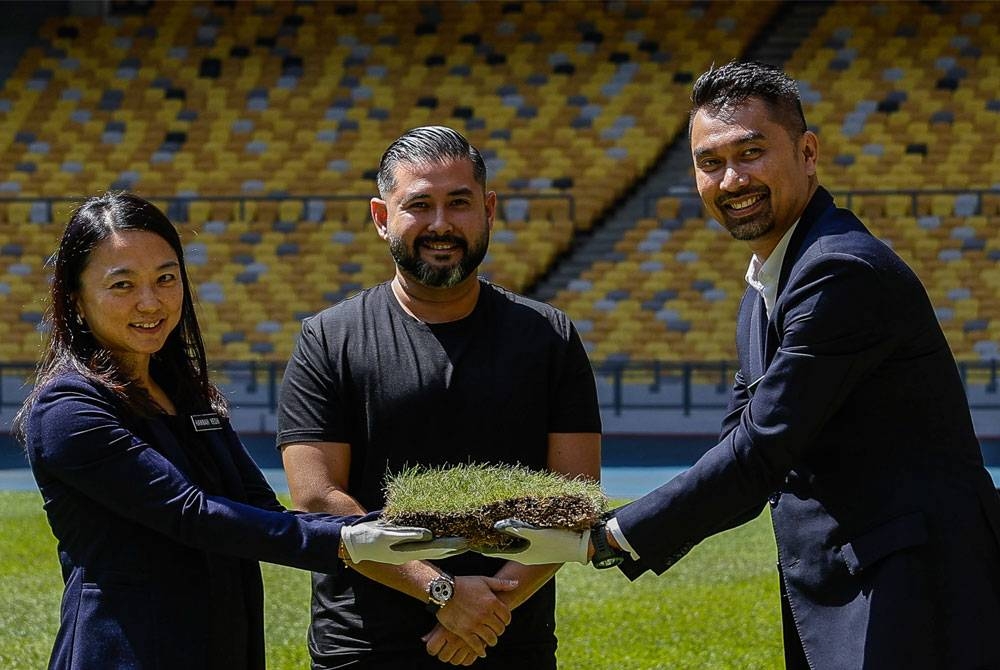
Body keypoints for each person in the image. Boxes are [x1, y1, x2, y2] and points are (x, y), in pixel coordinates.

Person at [487, 61, 1000, 669]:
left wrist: (605, 536)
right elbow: (739, 453)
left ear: (808, 153)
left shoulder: (839, 272)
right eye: (710, 162)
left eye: (751, 153)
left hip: (917, 594)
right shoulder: (765, 285)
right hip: (853, 585)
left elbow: (758, 453)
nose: (732, 180)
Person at [13, 193, 465, 670]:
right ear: (76, 299)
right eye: (122, 285)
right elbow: (191, 514)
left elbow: (260, 508)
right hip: (126, 652)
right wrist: (351, 539)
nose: (150, 301)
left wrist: (391, 529)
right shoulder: (67, 408)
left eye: (166, 278)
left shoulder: (189, 395)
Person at [277, 125, 602, 669]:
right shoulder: (329, 338)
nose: (441, 224)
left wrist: (489, 607)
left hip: (507, 638)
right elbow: (317, 497)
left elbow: (574, 497)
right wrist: (443, 592)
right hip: (363, 644)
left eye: (459, 203)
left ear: (489, 210)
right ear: (382, 218)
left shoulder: (550, 337)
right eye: (419, 205)